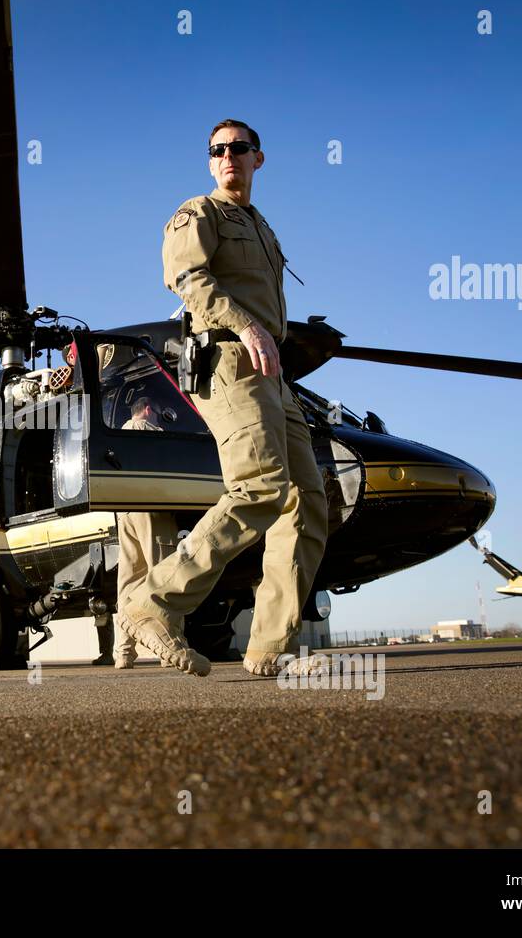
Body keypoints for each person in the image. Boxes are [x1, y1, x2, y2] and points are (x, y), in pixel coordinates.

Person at [115, 119, 330, 679]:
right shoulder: (199, 212)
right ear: (210, 162)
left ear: (259, 158)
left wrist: (278, 339)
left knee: (305, 503)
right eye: (218, 149)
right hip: (229, 358)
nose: (228, 155)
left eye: (239, 147)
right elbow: (185, 277)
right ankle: (151, 602)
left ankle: (268, 648)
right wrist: (246, 326)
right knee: (259, 486)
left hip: (271, 371)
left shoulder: (263, 228)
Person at [112, 397, 179, 669]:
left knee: (128, 580)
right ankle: (168, 647)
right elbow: (171, 459)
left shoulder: (118, 433)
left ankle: (123, 652)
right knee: (164, 573)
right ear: (149, 410)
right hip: (152, 507)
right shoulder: (146, 430)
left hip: (124, 511)